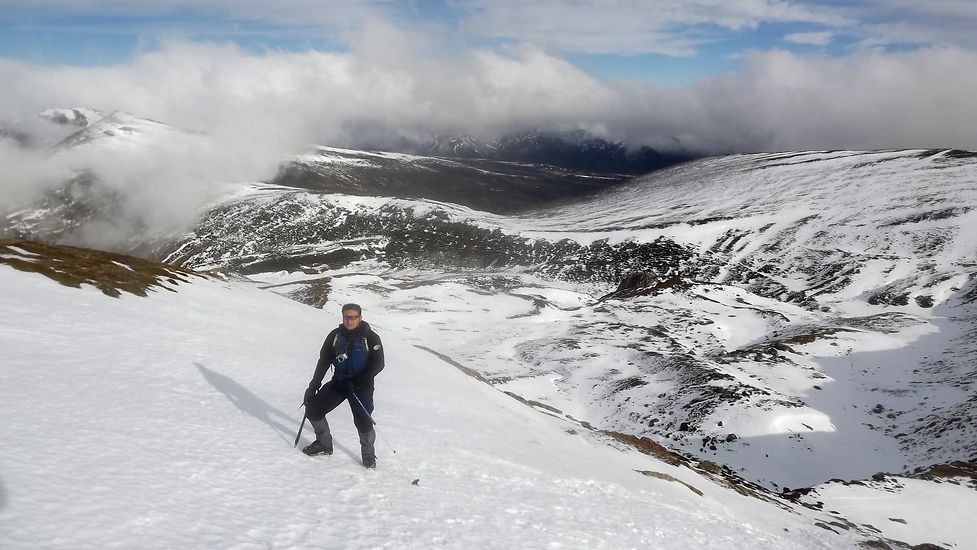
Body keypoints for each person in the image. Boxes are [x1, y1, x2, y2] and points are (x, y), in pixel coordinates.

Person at [302, 303, 385, 468]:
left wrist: (358, 381)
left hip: (361, 386)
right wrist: (313, 386)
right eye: (347, 317)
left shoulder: (371, 337)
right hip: (339, 382)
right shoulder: (335, 336)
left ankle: (368, 456)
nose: (350, 320)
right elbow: (324, 361)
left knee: (364, 422)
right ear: (342, 317)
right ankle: (324, 444)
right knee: (313, 410)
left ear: (360, 318)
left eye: (354, 317)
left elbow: (378, 364)